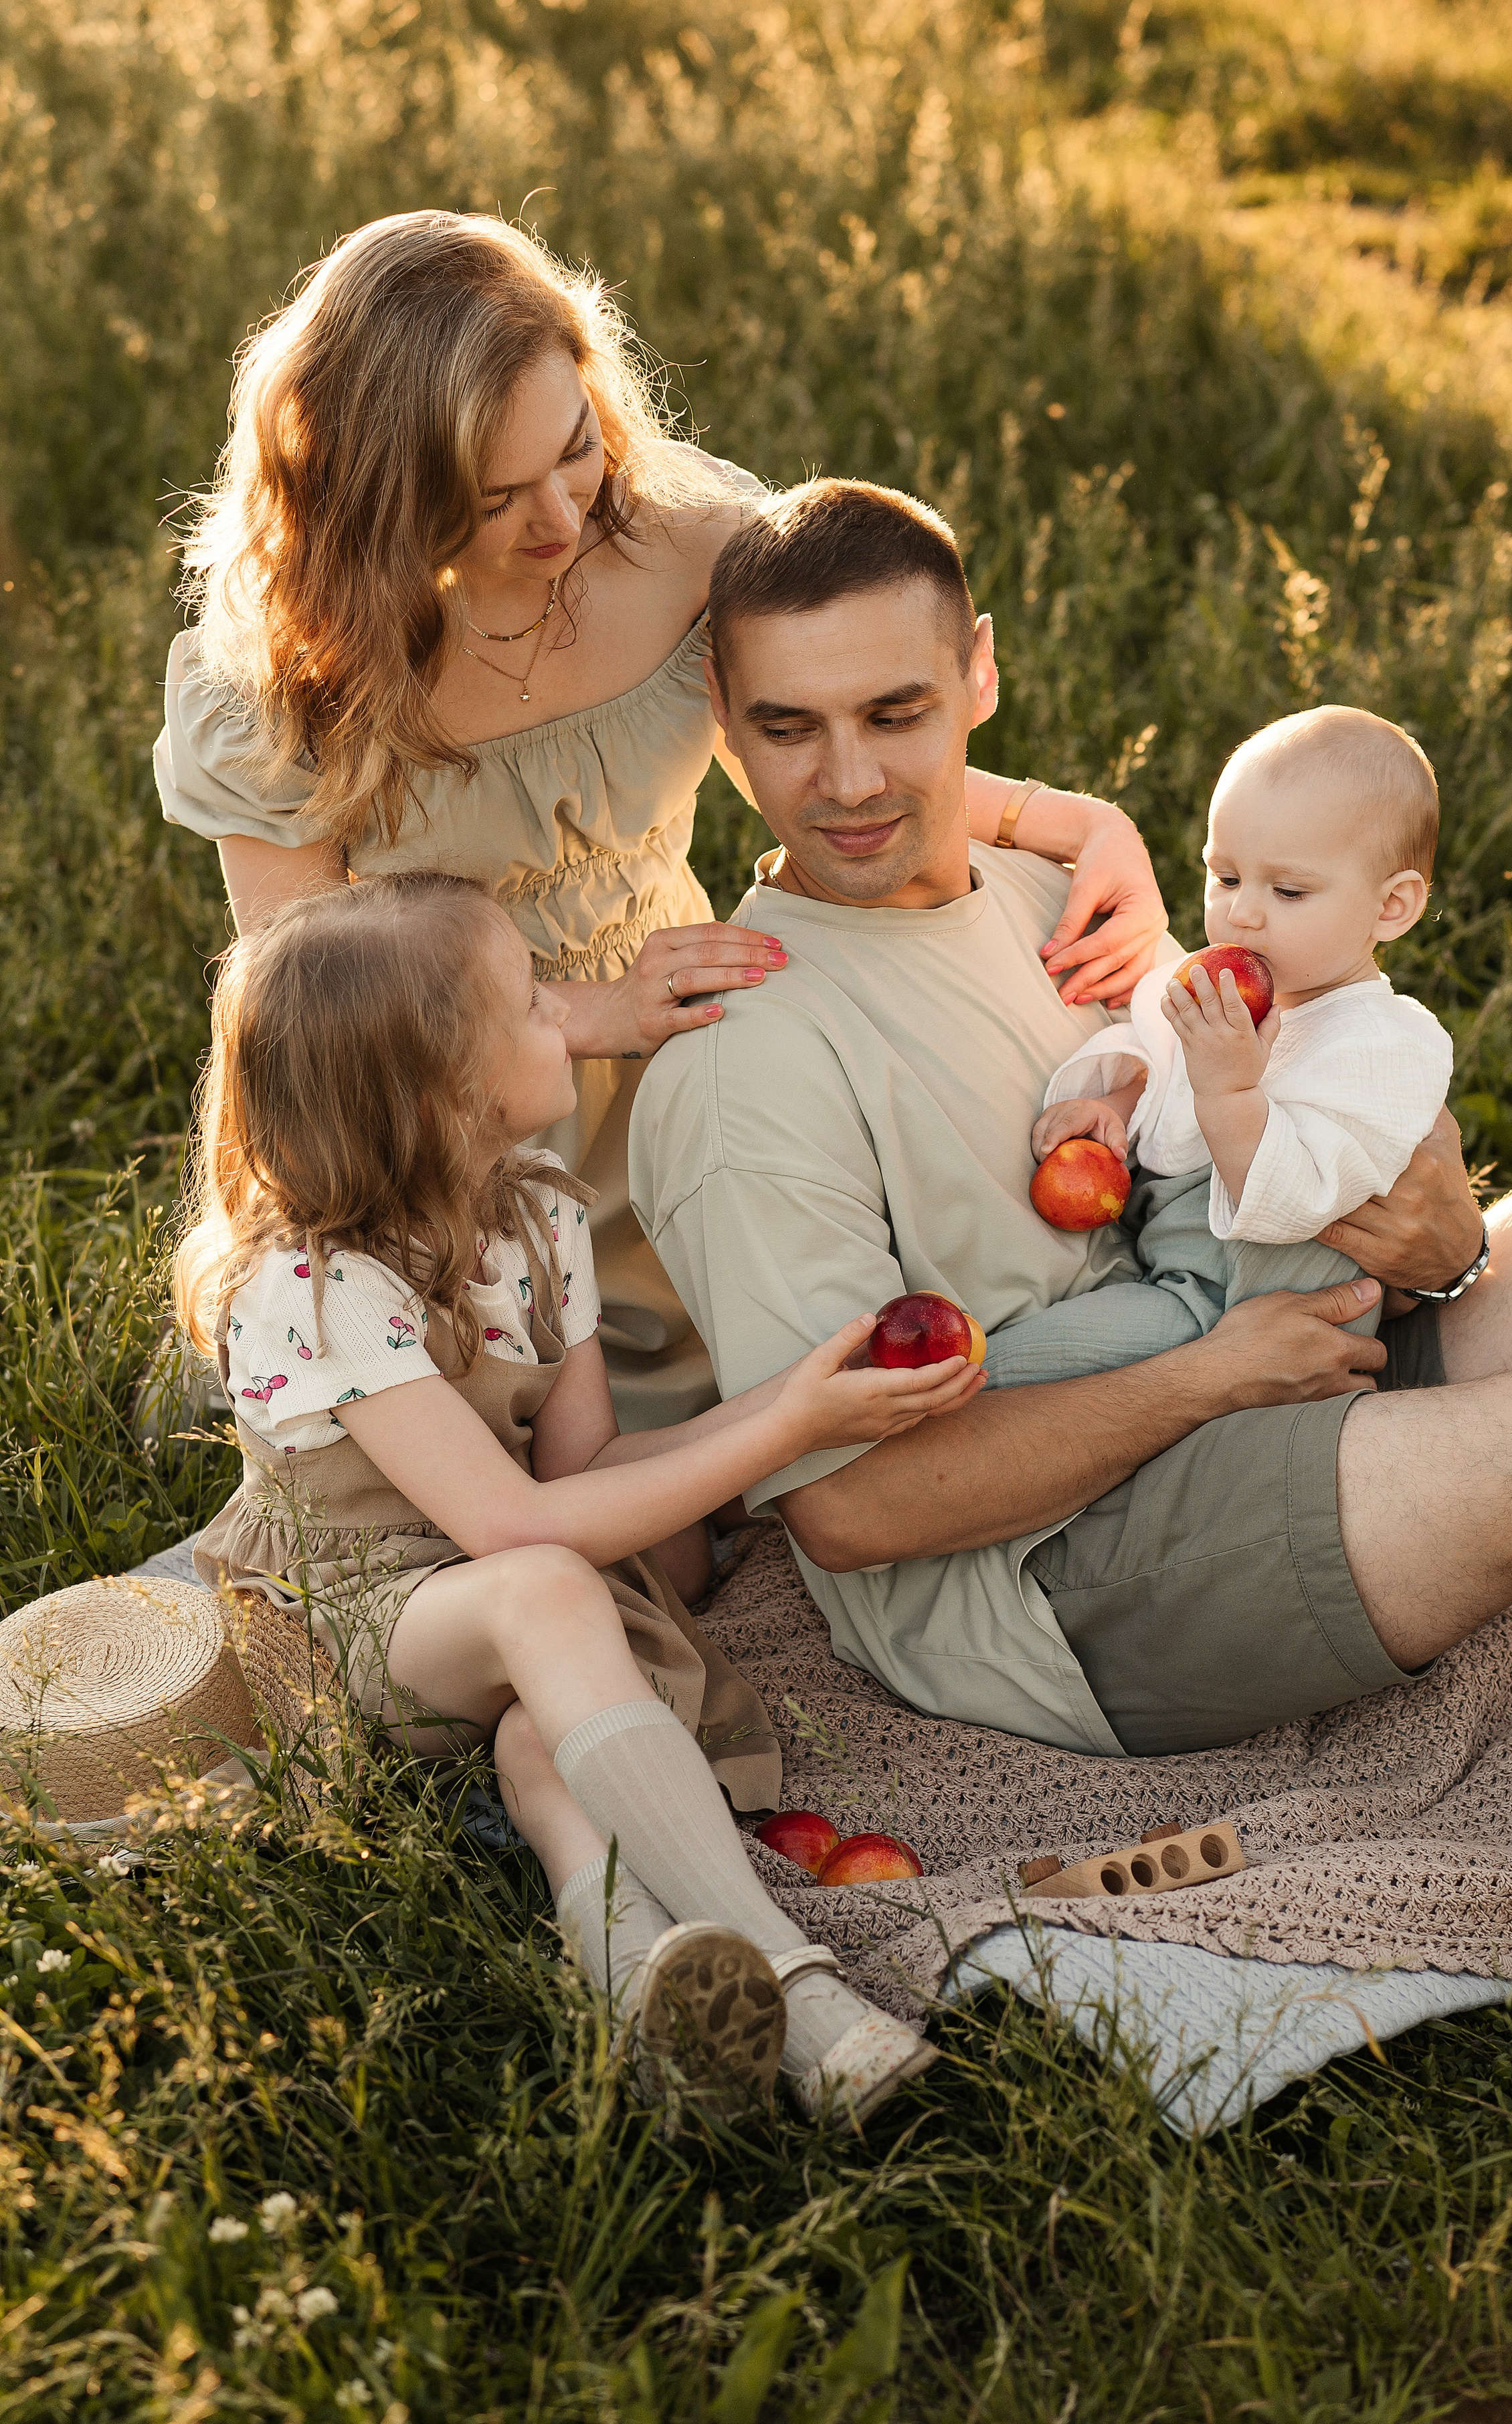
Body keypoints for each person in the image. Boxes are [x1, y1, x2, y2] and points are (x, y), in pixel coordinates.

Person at [629, 476, 1512, 1761]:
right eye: (789, 726)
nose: (850, 779)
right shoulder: (743, 1058)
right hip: (1050, 1573)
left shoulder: (1058, 896)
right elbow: (856, 1507)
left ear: (979, 675)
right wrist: (1214, 1379)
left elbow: (1256, 1128)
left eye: (897, 711)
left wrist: (1446, 1252)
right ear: (722, 719)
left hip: (1273, 1352)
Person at [153, 209, 1170, 1439]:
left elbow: (814, 751)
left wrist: (1076, 823)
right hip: (442, 1112)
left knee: (801, 1370)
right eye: (494, 500)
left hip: (688, 1037)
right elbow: (307, 1009)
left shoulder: (687, 539)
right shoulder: (280, 668)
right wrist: (585, 1013)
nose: (563, 521)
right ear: (385, 496)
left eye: (575, 450)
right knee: (516, 1472)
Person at [175, 872, 973, 2120]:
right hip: (351, 1627)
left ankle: (644, 1991)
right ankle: (798, 1979)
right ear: (447, 1092)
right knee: (550, 1587)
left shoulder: (540, 1209)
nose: (569, 1011)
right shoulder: (318, 1285)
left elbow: (584, 1476)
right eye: (533, 999)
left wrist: (793, 1404)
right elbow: (517, 1530)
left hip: (505, 1609)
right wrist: (782, 1433)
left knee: (546, 1742)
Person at [985, 705, 1454, 1386]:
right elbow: (1167, 1064)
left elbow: (1297, 1199)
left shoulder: (1384, 1046)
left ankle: (947, 1405)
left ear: (1391, 907)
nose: (1241, 912)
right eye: (1226, 876)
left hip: (1242, 1312)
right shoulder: (1233, 993)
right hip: (1178, 1278)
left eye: (1288, 889)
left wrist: (1230, 1090)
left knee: (1011, 1367)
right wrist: (1120, 1103)